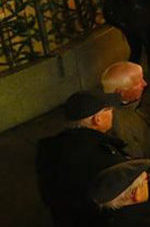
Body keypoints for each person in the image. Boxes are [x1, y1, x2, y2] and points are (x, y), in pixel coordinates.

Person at [36, 90, 130, 227]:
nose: (112, 113)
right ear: (97, 119)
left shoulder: (51, 147)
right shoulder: (102, 157)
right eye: (108, 110)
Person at [101, 62, 150, 212]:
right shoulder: (120, 124)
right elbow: (135, 162)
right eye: (138, 82)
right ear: (121, 92)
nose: (145, 84)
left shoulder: (128, 107)